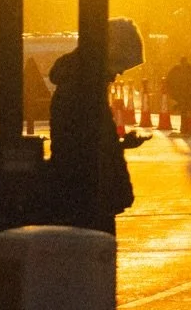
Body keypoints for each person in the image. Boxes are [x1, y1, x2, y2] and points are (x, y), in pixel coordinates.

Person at [47, 47, 135, 235]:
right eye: (117, 67)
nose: (116, 76)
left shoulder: (75, 89)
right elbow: (84, 143)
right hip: (86, 188)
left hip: (82, 184)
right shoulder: (83, 95)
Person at [164, 55, 191, 138]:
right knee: (186, 110)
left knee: (185, 110)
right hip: (186, 95)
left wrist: (174, 95)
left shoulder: (177, 70)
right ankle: (186, 128)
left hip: (183, 95)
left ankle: (185, 128)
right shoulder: (190, 69)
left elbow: (169, 82)